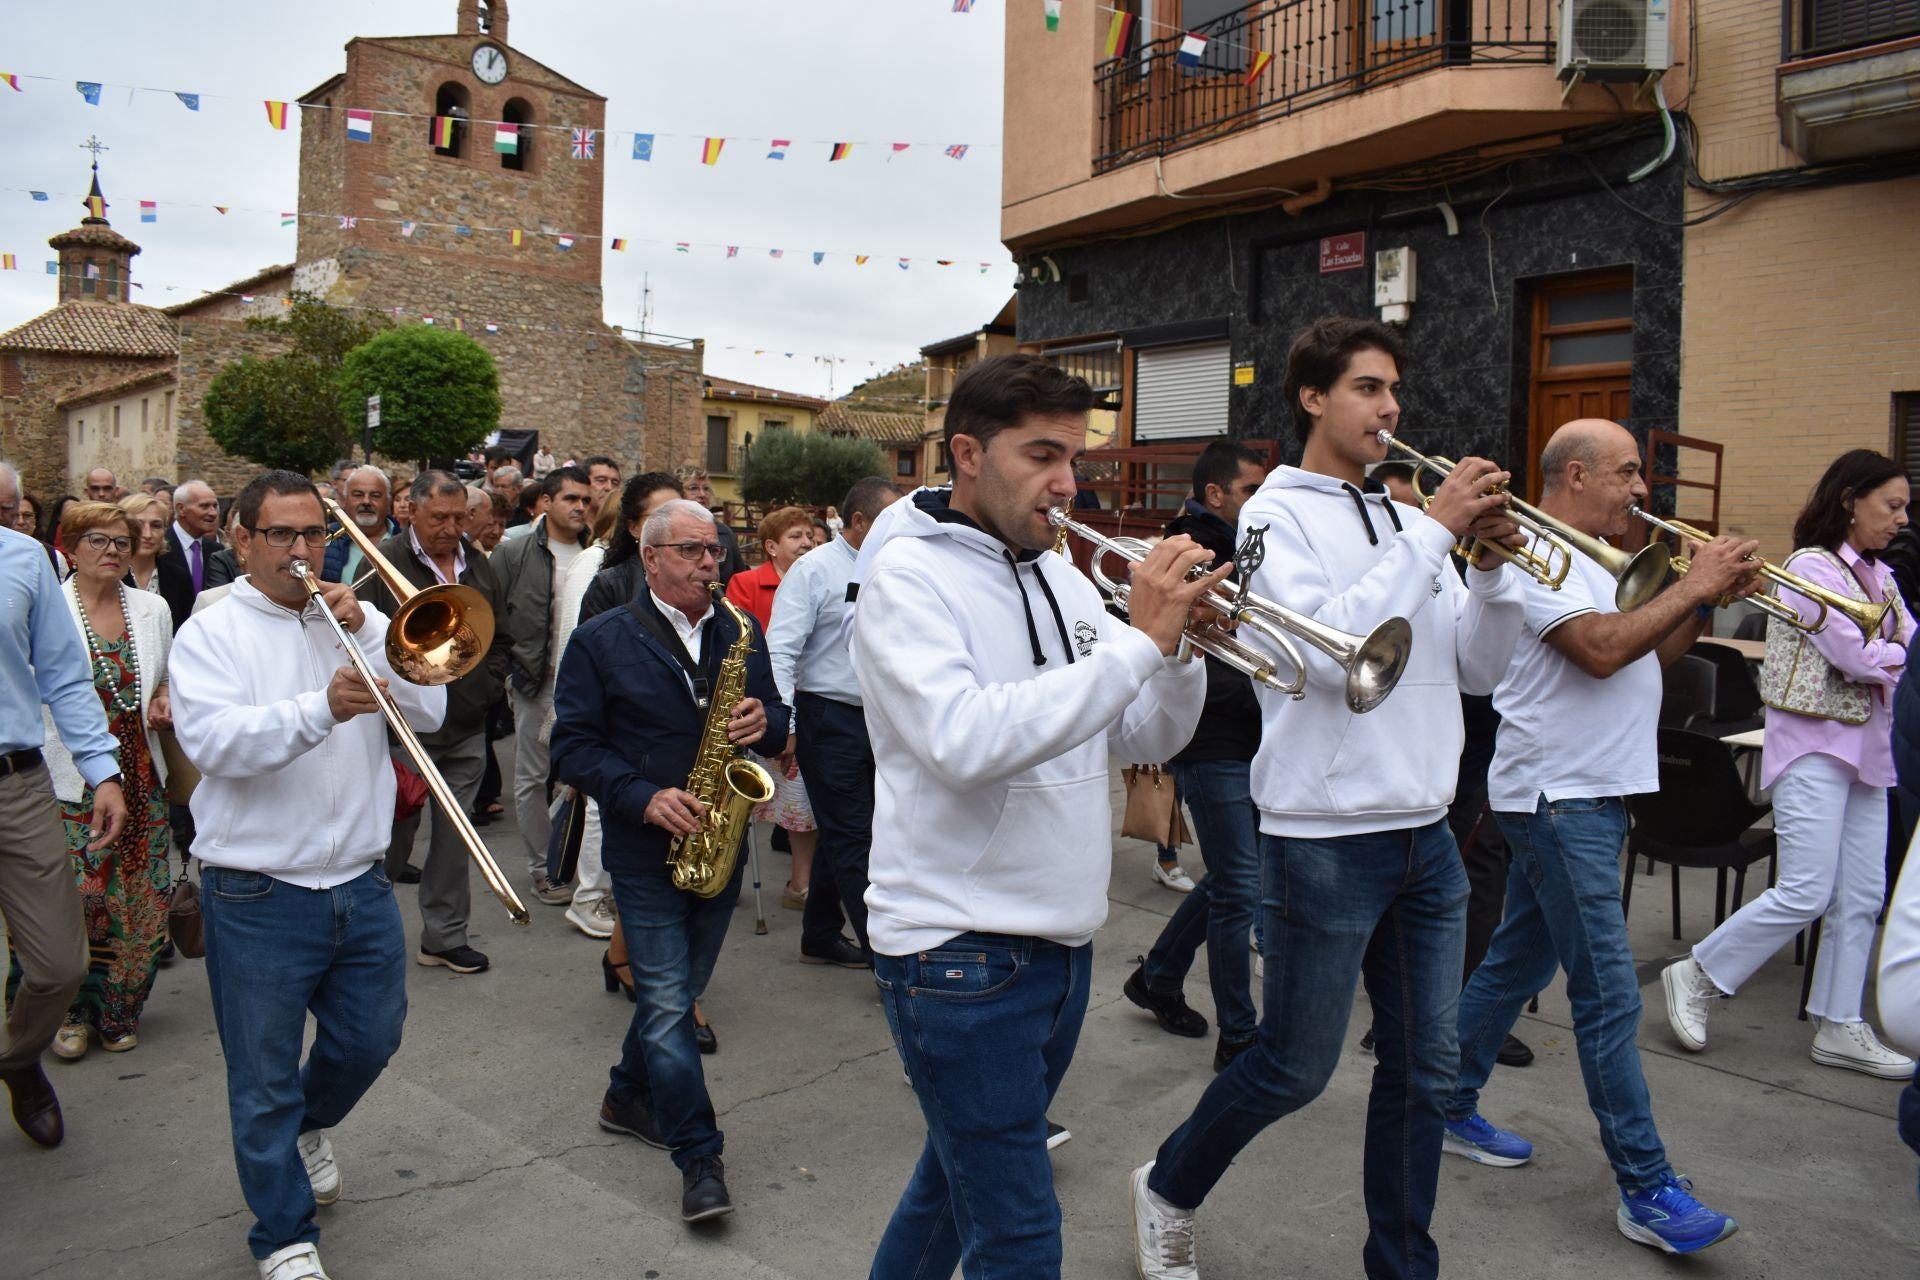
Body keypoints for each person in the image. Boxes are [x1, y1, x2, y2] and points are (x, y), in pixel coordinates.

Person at [1131, 317, 1527, 1280]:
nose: (1390, 409)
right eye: (1367, 389)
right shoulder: (1277, 514)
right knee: (1294, 1068)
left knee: (1423, 1073)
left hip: (1425, 833)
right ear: (1313, 398)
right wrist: (1435, 532)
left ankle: (1402, 1264)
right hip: (1324, 839)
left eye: (1394, 391)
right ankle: (1167, 1185)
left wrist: (1491, 568)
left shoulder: (1399, 520)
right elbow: (1321, 650)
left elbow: (1477, 670)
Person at [850, 354, 1216, 1277]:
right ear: (967, 453)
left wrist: (1180, 655)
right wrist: (1137, 647)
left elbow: (1145, 735)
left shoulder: (1056, 575)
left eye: (1076, 458)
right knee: (1018, 1234)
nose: (1066, 482)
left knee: (947, 1197)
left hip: (1056, 942)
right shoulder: (909, 579)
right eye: (1043, 454)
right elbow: (963, 741)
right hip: (956, 949)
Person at [1438, 419, 1755, 1256]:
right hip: (1558, 795)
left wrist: (1700, 597)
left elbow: (1648, 655)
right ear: (1574, 475)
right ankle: (1644, 1185)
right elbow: (1600, 652)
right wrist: (1690, 589)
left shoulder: (1605, 557)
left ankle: (1443, 1102)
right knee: (1610, 993)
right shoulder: (1532, 551)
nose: (1640, 489)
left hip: (1594, 792)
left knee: (1517, 962)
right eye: (1626, 474)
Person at [169, 469, 445, 1280]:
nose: (301, 551)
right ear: (242, 541)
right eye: (282, 535)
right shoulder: (210, 632)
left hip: (357, 879)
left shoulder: (353, 617)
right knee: (259, 1076)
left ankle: (306, 1124)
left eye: (313, 534)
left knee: (371, 1038)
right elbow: (216, 746)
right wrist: (319, 707)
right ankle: (284, 1237)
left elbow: (430, 713)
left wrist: (376, 636)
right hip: (255, 888)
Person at [551, 497, 790, 1225]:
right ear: (650, 559)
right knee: (667, 1005)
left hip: (718, 836)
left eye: (715, 549)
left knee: (674, 990)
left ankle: (626, 1096)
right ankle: (700, 1157)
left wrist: (766, 722)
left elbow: (779, 713)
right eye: (691, 551)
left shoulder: (738, 628)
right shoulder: (602, 639)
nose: (710, 563)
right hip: (645, 845)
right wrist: (644, 796)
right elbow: (571, 748)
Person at [1664, 449, 1917, 1079]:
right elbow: (1858, 658)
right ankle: (1698, 973)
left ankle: (1839, 1024)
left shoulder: (1880, 576)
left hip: (1866, 748)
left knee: (1861, 894)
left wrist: (1884, 651)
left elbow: (1905, 643)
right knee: (1806, 888)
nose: (1902, 519)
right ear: (1849, 499)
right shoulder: (1810, 566)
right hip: (1812, 745)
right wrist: (1887, 653)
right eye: (1892, 505)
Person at [1125, 439, 1269, 1073]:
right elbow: (1187, 649)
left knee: (1232, 880)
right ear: (1216, 494)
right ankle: (1239, 1031)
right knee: (1242, 883)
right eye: (1250, 493)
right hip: (1209, 735)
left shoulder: (1245, 548)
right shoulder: (1185, 552)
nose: (1260, 505)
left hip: (1246, 733)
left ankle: (1157, 975)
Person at [0, 461, 127, 1148]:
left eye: (8, 506)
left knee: (58, 966)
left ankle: (18, 1061)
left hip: (17, 784)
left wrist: (102, 771)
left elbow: (64, 676)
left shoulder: (23, 563)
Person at [26, 501, 176, 1059]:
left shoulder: (153, 608)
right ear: (68, 545)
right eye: (97, 540)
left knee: (143, 901)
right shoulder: (47, 607)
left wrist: (162, 697)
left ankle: (121, 1011)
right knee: (80, 902)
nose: (111, 550)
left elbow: (165, 679)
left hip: (141, 773)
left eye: (121, 540)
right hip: (72, 780)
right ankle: (71, 1013)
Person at [358, 471, 507, 976]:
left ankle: (444, 937)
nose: (450, 528)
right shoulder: (381, 564)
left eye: (458, 517)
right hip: (404, 727)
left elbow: (499, 634)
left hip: (465, 723)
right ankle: (361, 932)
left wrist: (488, 686)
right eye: (438, 517)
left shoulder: (478, 564)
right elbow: (360, 644)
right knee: (391, 833)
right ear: (411, 513)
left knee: (455, 838)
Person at [767, 477, 902, 967]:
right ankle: (887, 954)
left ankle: (820, 933)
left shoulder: (898, 566)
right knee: (855, 838)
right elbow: (780, 649)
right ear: (859, 522)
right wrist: (786, 721)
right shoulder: (815, 570)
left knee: (849, 831)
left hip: (883, 719)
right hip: (828, 717)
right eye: (889, 520)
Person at [492, 465, 593, 905]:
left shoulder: (597, 554)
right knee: (532, 777)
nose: (581, 507)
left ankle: (569, 856)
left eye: (586, 500)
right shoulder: (513, 552)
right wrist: (508, 673)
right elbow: (491, 615)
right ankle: (543, 868)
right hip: (536, 680)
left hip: (586, 684)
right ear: (546, 502)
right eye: (571, 499)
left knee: (583, 774)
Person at [727, 507, 822, 910]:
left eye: (810, 536)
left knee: (801, 799)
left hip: (808, 699)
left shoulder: (819, 578)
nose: (807, 543)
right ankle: (726, 872)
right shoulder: (746, 583)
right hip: (756, 703)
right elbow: (735, 644)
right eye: (796, 536)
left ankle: (799, 882)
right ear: (770, 546)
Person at [543, 487, 626, 939]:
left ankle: (601, 891)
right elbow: (574, 639)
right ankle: (588, 896)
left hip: (610, 703)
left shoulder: (610, 564)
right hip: (593, 705)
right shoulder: (593, 564)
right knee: (595, 803)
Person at [580, 473, 684, 621]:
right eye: (661, 517)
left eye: (682, 515)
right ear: (634, 527)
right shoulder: (610, 586)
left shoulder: (700, 576)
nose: (675, 525)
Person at [674, 464, 749, 587]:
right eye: (693, 488)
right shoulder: (669, 530)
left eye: (706, 489)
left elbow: (739, 577)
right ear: (678, 493)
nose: (702, 494)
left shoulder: (724, 532)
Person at [163, 480, 223, 632]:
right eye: (204, 506)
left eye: (215, 506)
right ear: (181, 509)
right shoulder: (160, 547)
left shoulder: (216, 550)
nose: (213, 513)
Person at [322, 467, 394, 584]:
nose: (366, 501)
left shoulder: (409, 542)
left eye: (375, 495)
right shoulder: (324, 540)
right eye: (358, 495)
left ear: (388, 502)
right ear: (345, 501)